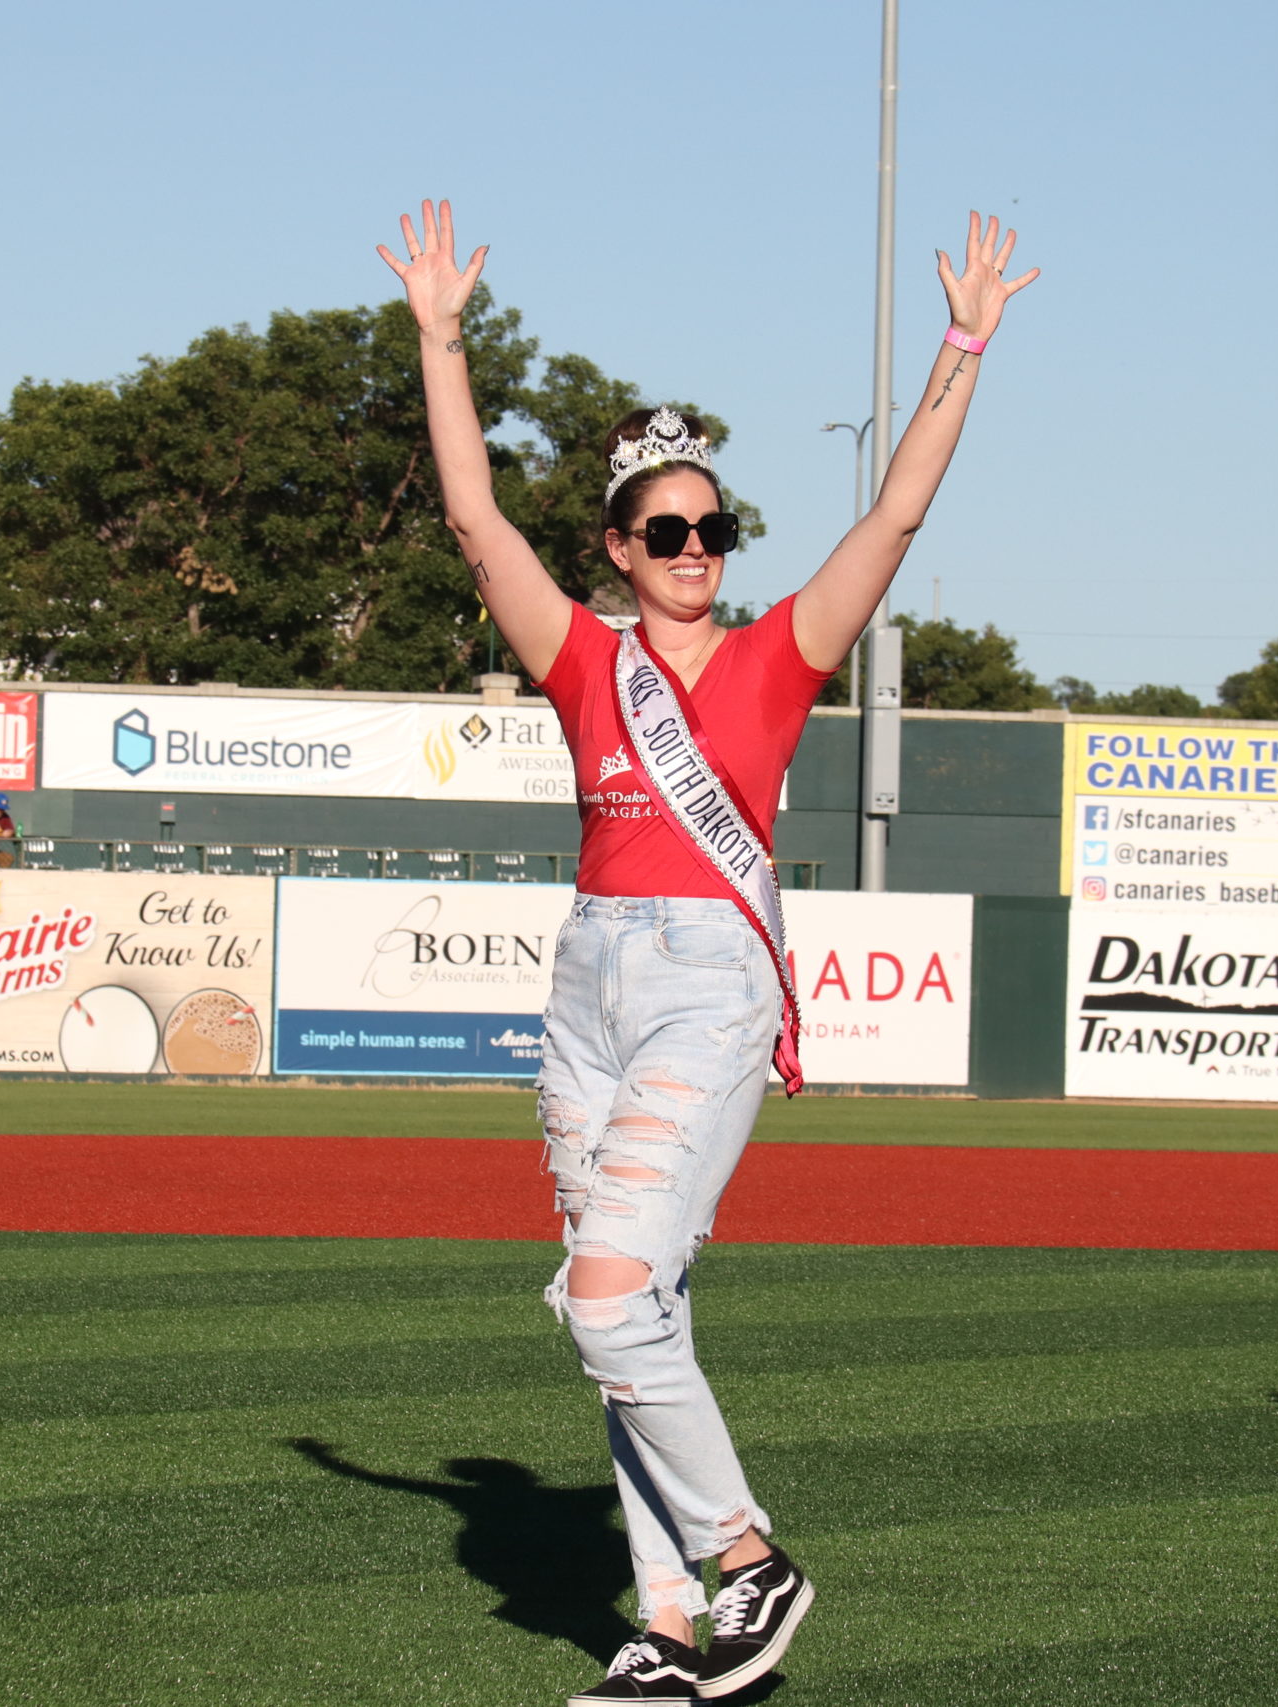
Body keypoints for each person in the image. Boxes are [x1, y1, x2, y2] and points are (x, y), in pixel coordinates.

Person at [380, 198, 1034, 1705]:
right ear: (617, 547)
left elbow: (896, 518)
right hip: (588, 983)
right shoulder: (579, 655)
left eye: (713, 528)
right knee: (631, 1314)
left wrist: (963, 348)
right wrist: (440, 336)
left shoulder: (776, 654)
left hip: (703, 982)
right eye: (663, 530)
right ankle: (665, 1631)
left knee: (606, 1297)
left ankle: (749, 1558)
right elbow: (475, 516)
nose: (693, 550)